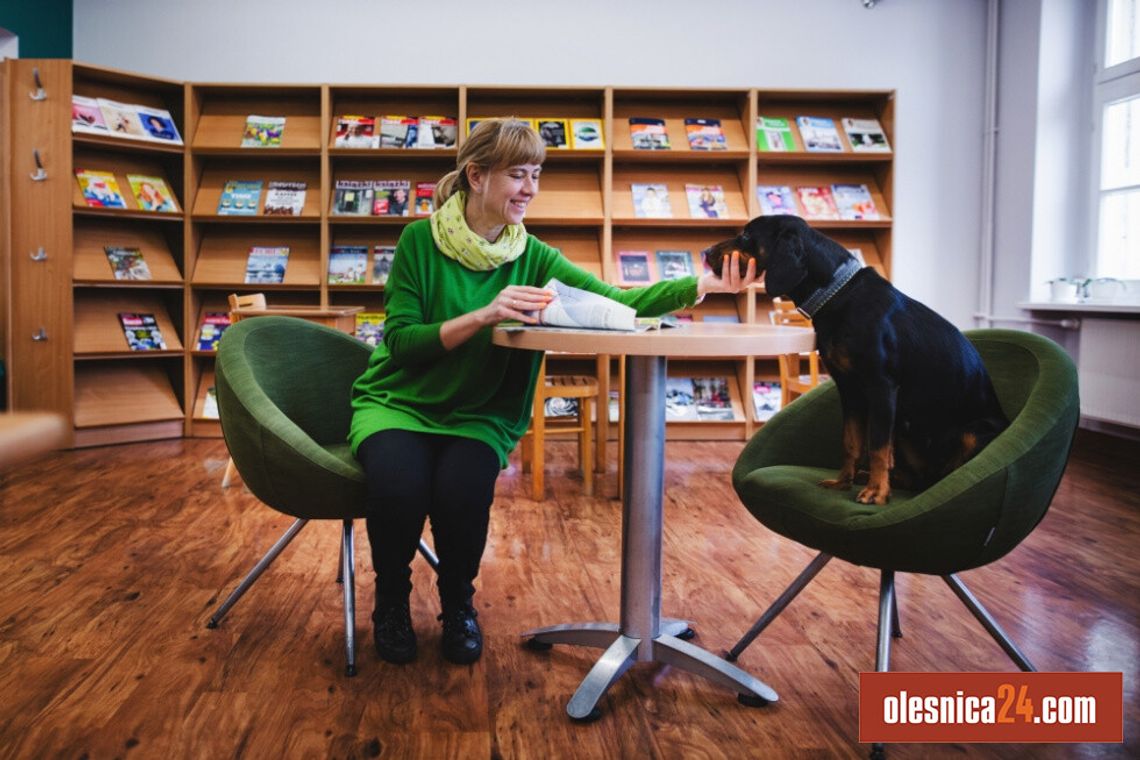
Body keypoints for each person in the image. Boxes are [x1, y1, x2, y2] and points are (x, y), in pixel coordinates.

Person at [348, 117, 756, 666]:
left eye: (536, 174)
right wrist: (484, 315)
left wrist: (701, 285)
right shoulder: (419, 242)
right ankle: (391, 603)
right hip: (397, 403)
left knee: (461, 493)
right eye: (518, 174)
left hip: (478, 413)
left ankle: (458, 605)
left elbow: (618, 302)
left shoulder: (535, 256)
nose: (530, 189)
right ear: (476, 175)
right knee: (399, 486)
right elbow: (400, 343)